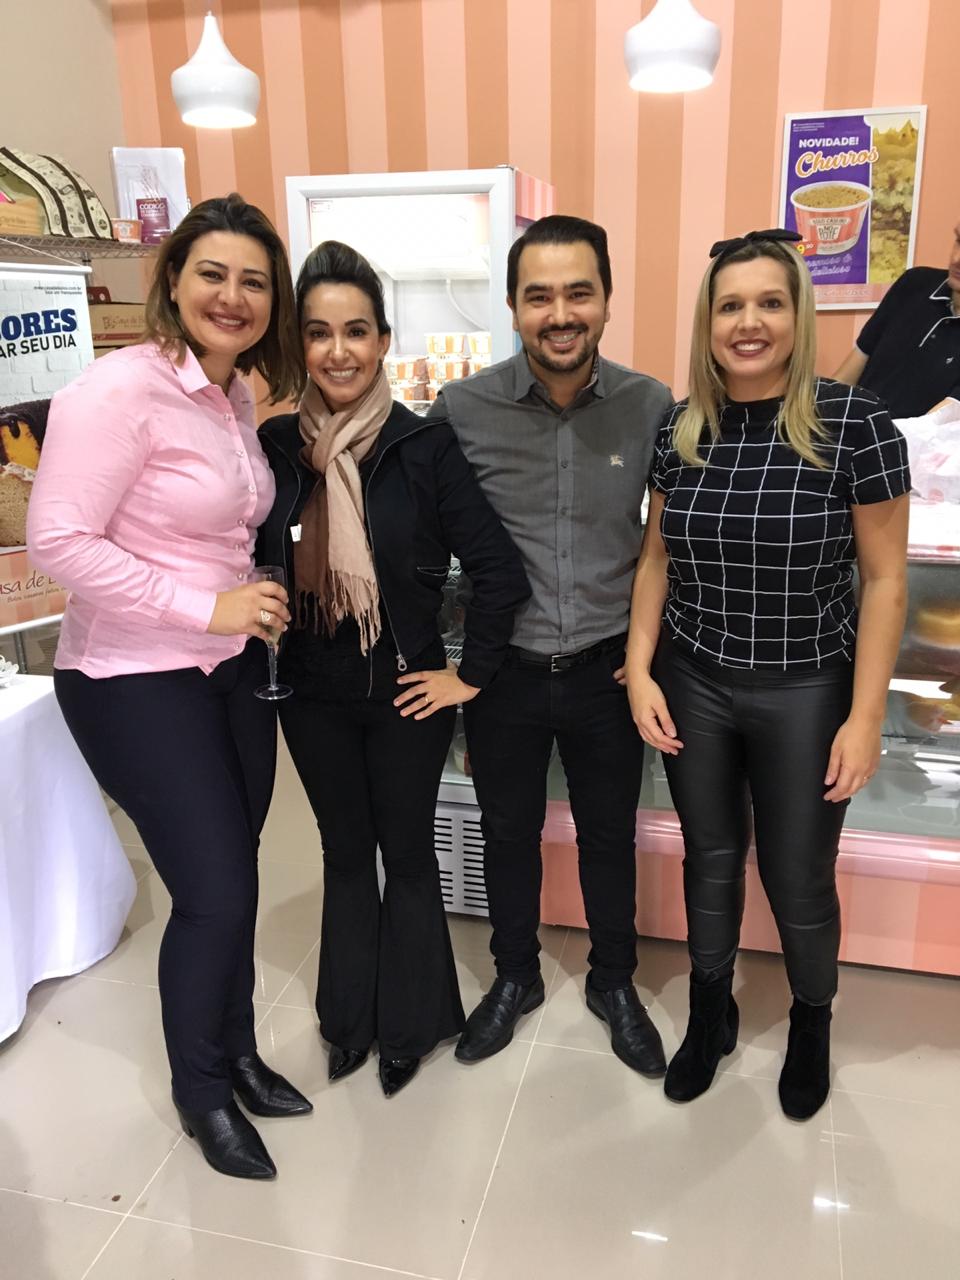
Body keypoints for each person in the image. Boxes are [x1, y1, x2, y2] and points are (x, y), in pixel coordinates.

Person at [27, 194, 311, 1180]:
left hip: (227, 671)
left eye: (255, 282)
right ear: (173, 279)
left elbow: (217, 528)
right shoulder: (116, 391)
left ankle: (237, 1053)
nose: (233, 297)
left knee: (236, 877)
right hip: (130, 676)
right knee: (215, 889)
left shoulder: (233, 393)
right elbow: (58, 540)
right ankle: (203, 1093)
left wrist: (247, 597)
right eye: (213, 274)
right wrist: (207, 606)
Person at [626, 229, 910, 1119]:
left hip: (807, 689)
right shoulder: (681, 427)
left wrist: (866, 717)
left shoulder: (855, 425)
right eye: (730, 305)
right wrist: (639, 666)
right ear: (708, 322)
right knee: (710, 859)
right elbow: (655, 560)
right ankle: (711, 1012)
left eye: (769, 303)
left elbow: (886, 580)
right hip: (695, 681)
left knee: (797, 875)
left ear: (798, 315)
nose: (748, 323)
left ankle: (811, 1021)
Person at [257, 241, 529, 1098]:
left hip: (408, 694)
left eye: (356, 331)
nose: (338, 351)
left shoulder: (424, 446)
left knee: (407, 854)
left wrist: (469, 676)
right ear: (300, 343)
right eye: (319, 332)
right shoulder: (275, 447)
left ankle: (411, 1025)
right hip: (309, 694)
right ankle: (348, 1022)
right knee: (344, 852)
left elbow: (499, 571)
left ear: (382, 340)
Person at [430, 215, 673, 1075]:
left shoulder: (651, 406)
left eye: (579, 293)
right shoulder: (461, 410)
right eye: (539, 296)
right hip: (504, 675)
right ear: (513, 307)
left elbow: (667, 543)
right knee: (507, 832)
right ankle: (515, 976)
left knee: (610, 836)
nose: (560, 314)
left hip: (610, 670)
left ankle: (614, 981)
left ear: (606, 300)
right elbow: (423, 543)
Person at [834, 217, 960, 417]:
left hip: (906, 437)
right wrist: (818, 418)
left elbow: (936, 423)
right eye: (959, 240)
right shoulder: (914, 283)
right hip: (852, 428)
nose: (956, 259)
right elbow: (848, 374)